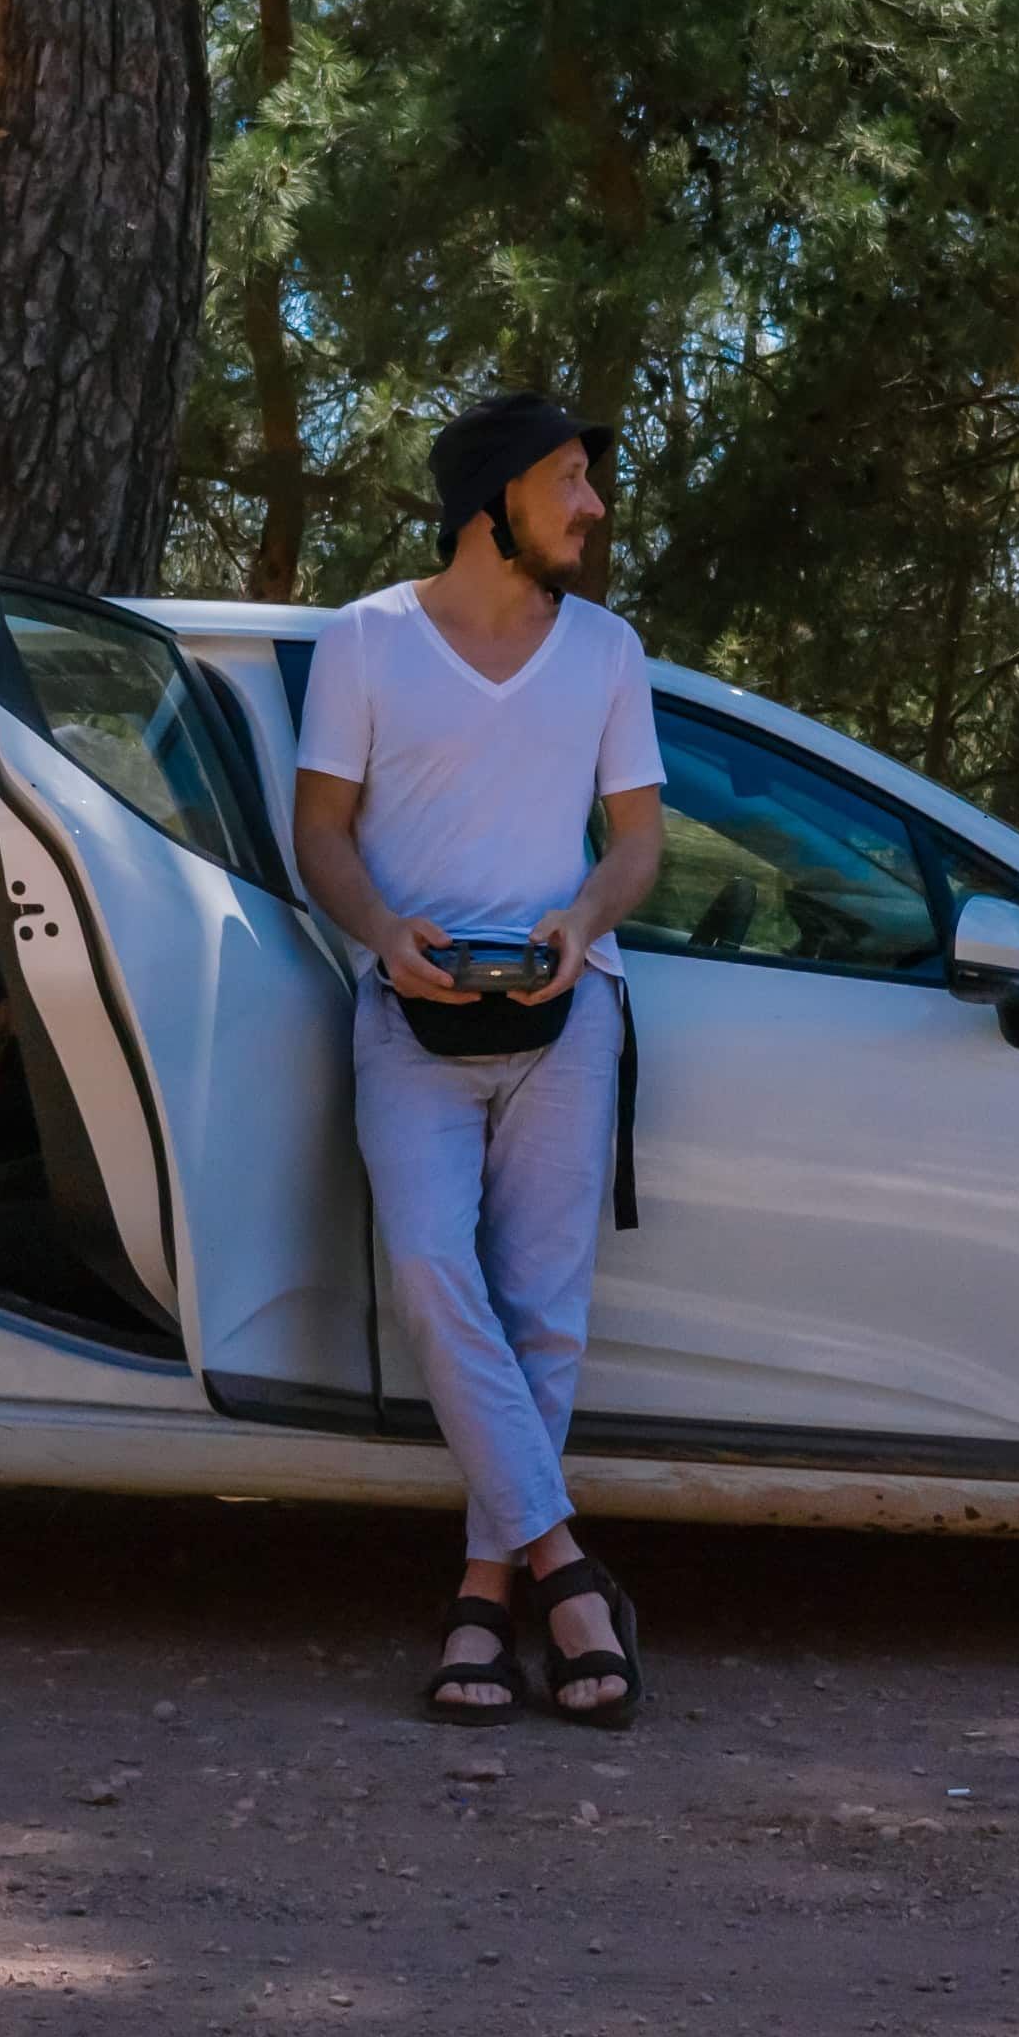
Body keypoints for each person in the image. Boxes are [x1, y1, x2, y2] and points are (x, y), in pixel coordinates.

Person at [290, 392, 663, 1727]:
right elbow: (319, 831)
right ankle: (571, 1570)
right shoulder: (369, 640)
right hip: (408, 1011)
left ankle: (484, 1601)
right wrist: (385, 933)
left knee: (543, 1312)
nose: (593, 506)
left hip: (573, 1010)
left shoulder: (607, 650)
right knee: (431, 1269)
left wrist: (584, 919)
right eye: (570, 480)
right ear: (494, 499)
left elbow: (636, 843)